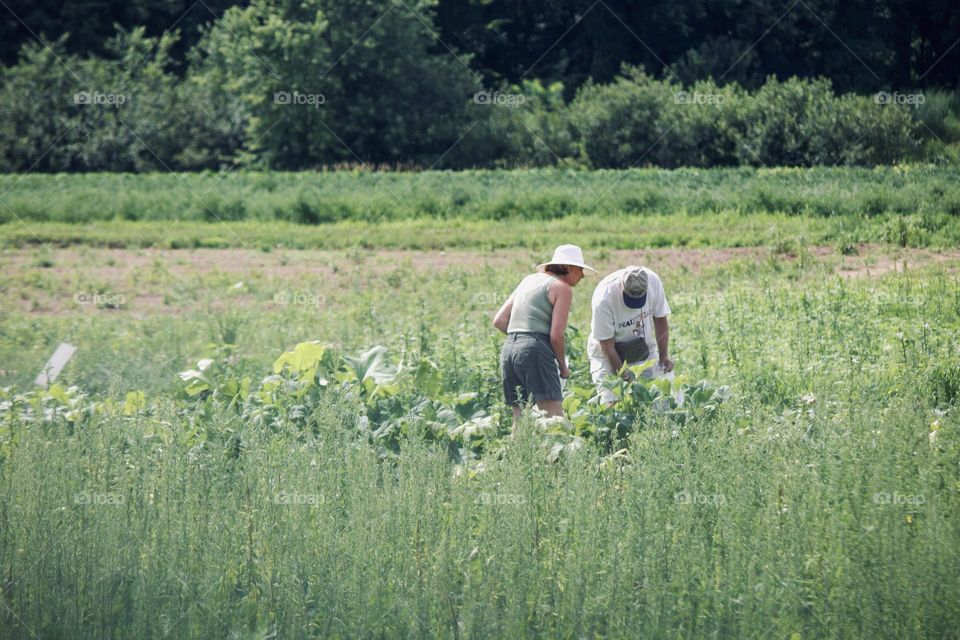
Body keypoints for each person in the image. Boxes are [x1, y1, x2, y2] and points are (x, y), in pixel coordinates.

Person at [493, 244, 596, 424]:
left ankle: (517, 452)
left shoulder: (528, 280)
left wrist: (520, 343)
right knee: (553, 419)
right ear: (569, 268)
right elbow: (556, 336)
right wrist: (563, 366)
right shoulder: (562, 288)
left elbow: (499, 321)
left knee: (520, 419)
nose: (582, 275)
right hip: (535, 348)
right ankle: (557, 451)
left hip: (509, 348)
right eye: (580, 269)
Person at [588, 265, 673, 404]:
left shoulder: (653, 281)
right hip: (607, 353)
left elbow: (660, 319)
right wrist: (626, 379)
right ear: (622, 286)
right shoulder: (604, 298)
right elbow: (607, 346)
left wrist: (663, 356)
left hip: (641, 349)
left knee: (656, 399)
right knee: (612, 402)